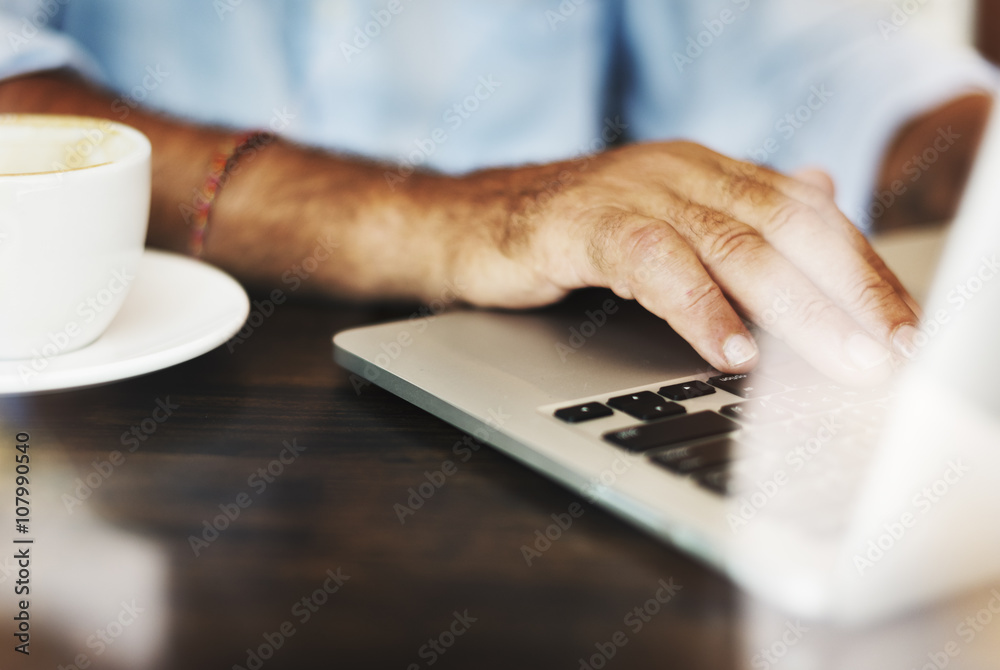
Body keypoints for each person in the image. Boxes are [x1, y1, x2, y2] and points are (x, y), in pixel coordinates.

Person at [0, 0, 994, 384]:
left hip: (539, 364)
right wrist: (442, 216)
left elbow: (761, 54)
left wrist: (966, 149)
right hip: (116, 399)